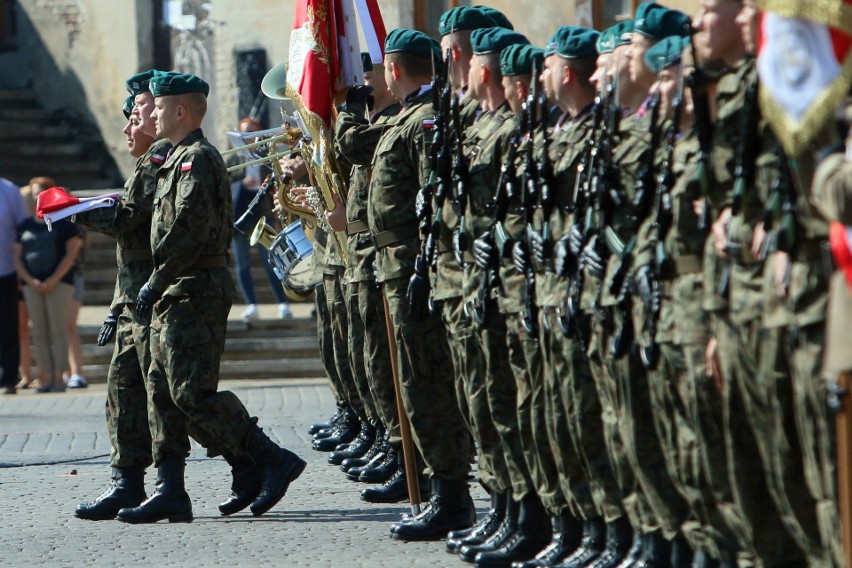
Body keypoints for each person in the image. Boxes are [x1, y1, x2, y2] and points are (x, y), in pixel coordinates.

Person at [116, 72, 305, 524]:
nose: (149, 114)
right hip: (175, 289)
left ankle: (271, 458)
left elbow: (187, 231)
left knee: (189, 392)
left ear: (180, 111)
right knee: (164, 391)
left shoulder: (197, 159)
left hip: (194, 289)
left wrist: (154, 282)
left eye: (158, 108)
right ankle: (182, 488)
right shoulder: (175, 157)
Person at [368, 28, 474, 542]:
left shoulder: (424, 120)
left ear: (394, 69)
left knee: (427, 384)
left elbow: (434, 199)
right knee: (413, 382)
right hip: (396, 261)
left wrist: (420, 268)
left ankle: (451, 496)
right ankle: (440, 489)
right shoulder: (410, 116)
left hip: (415, 264)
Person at [13, 178, 83, 393]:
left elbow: (72, 253)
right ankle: (44, 376)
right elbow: (17, 256)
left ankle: (59, 377)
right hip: (32, 284)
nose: (37, 197)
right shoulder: (25, 224)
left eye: (42, 192)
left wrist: (53, 279)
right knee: (39, 332)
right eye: (35, 193)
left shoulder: (64, 223)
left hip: (59, 283)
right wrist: (29, 279)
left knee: (58, 329)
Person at [229, 116, 292, 321]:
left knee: (269, 262)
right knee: (243, 264)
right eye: (244, 133)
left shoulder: (266, 157)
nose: (248, 139)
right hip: (240, 215)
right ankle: (252, 305)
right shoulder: (234, 158)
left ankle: (282, 303)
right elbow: (224, 180)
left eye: (251, 133)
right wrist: (241, 181)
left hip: (261, 214)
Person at [0, 176, 27, 395]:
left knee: (8, 326)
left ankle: (9, 378)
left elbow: (23, 229)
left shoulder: (10, 191)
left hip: (6, 270)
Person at [64, 225, 88, 388]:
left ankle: (77, 372)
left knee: (69, 326)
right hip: (55, 279)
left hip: (72, 277)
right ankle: (64, 372)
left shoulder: (73, 225)